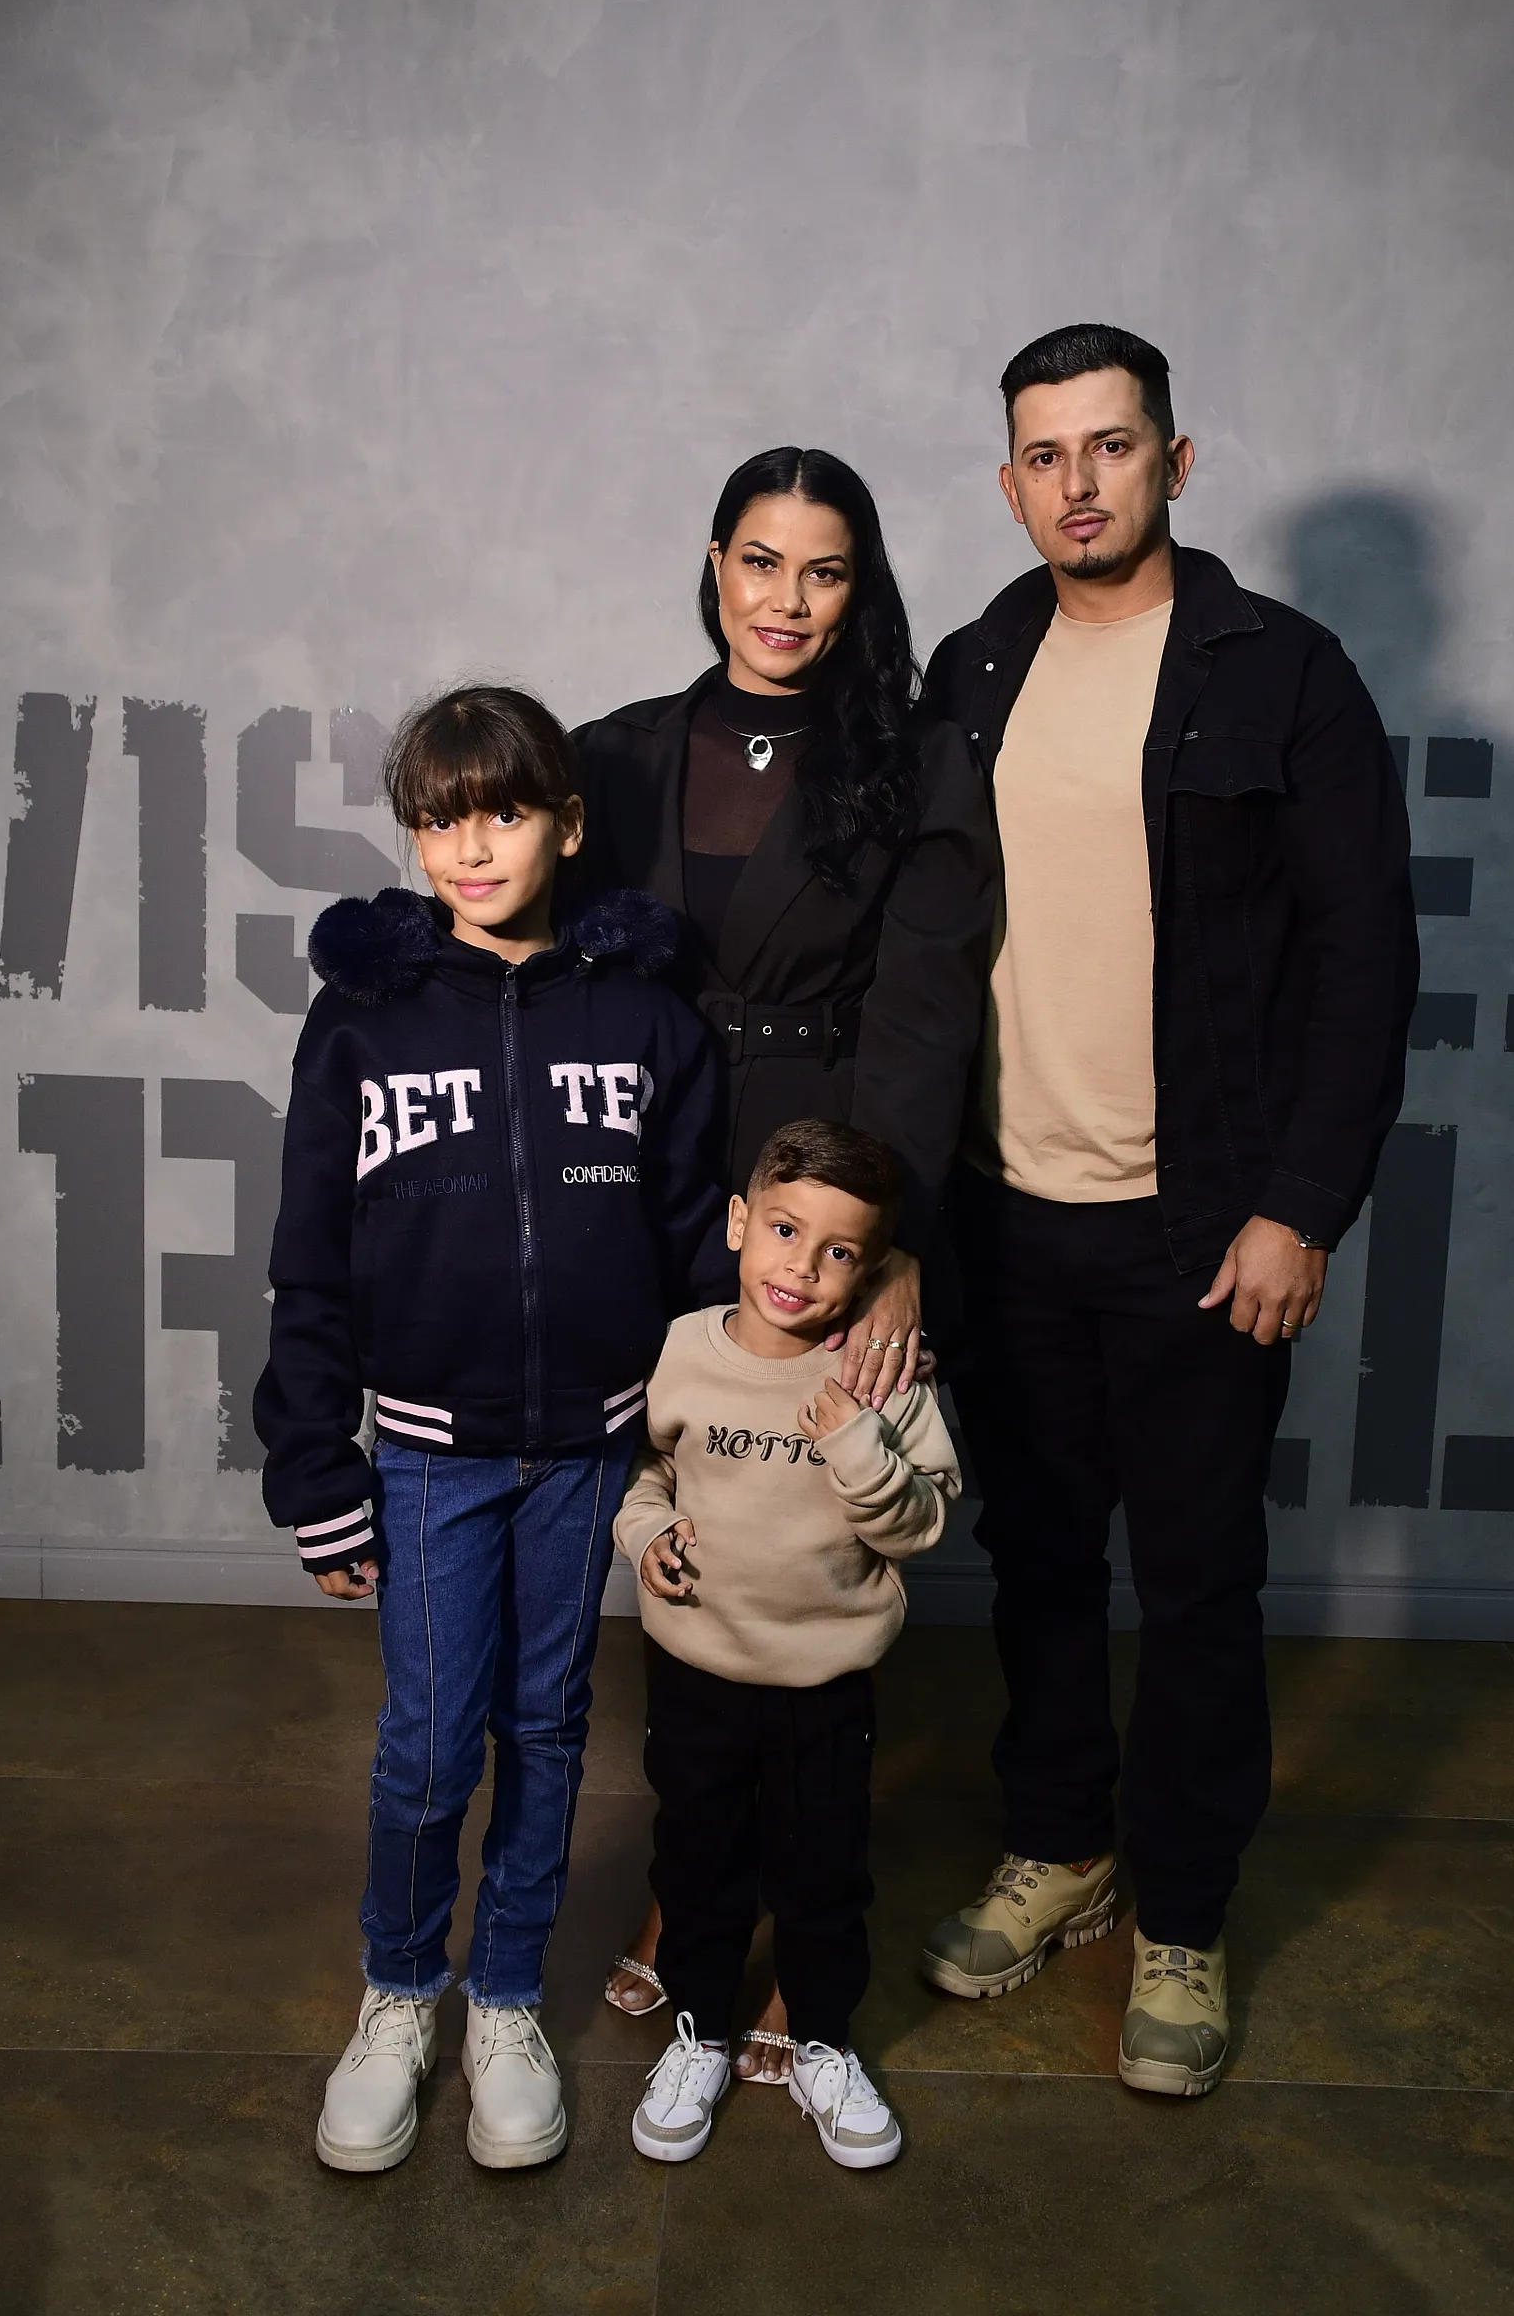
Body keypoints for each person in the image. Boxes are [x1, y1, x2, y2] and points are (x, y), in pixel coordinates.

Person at [918, 325, 1418, 2096]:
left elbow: (1364, 961)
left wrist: (1301, 1208)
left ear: (1176, 462)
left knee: (1198, 1584)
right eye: (1047, 456)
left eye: (1112, 447)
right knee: (1042, 1559)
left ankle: (1185, 1915)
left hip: (1198, 1223)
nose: (1080, 484)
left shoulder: (1285, 673)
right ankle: (1062, 1844)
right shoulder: (976, 665)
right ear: (1010, 484)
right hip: (1003, 1208)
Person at [253, 685, 723, 2173]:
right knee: (427, 1744)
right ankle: (402, 1991)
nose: (471, 847)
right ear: (414, 833)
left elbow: (696, 1251)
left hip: (588, 1452)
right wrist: (316, 1469)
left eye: (505, 813)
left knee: (548, 1729)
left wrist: (696, 1447)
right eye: (441, 819)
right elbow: (311, 1259)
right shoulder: (364, 1020)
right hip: (425, 1454)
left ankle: (506, 1996)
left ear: (567, 826)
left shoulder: (641, 1015)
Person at [578, 447, 997, 2070]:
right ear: (715, 561)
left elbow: (926, 1018)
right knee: (683, 1508)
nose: (787, 601)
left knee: (805, 1537)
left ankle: (796, 1916)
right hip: (649, 1166)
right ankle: (689, 1884)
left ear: (858, 586)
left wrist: (890, 1245)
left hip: (819, 1176)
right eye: (761, 561)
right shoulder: (618, 753)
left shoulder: (916, 761)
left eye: (824, 571)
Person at [616, 1120, 960, 2168]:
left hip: (824, 1685)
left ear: (873, 1267)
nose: (801, 1268)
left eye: (838, 1251)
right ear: (738, 1223)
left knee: (823, 1876)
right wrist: (646, 1538)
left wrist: (855, 1439)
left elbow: (922, 1524)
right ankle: (699, 2034)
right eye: (783, 1230)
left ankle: (820, 2041)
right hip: (698, 1673)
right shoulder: (681, 1351)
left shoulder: (882, 1375)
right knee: (698, 1863)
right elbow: (643, 1475)